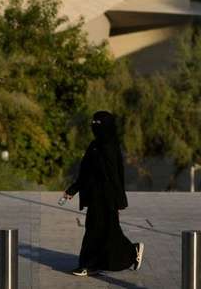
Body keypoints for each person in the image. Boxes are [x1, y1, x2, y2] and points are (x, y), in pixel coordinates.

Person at [61, 110, 144, 276]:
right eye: (93, 123)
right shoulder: (95, 145)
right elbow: (86, 171)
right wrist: (73, 190)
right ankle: (127, 253)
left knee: (104, 232)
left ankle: (90, 264)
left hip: (107, 198)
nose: (94, 126)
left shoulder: (110, 146)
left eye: (98, 123)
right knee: (101, 231)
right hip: (94, 196)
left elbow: (115, 175)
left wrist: (119, 201)